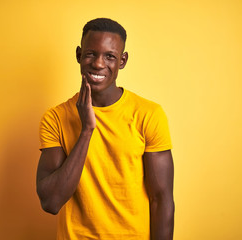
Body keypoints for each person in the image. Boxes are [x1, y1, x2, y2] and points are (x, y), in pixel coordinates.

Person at [36, 18, 174, 240]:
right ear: (79, 55)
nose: (99, 64)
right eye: (91, 54)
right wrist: (86, 130)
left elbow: (162, 199)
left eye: (110, 56)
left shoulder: (148, 114)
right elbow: (51, 202)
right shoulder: (55, 118)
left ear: (122, 60)